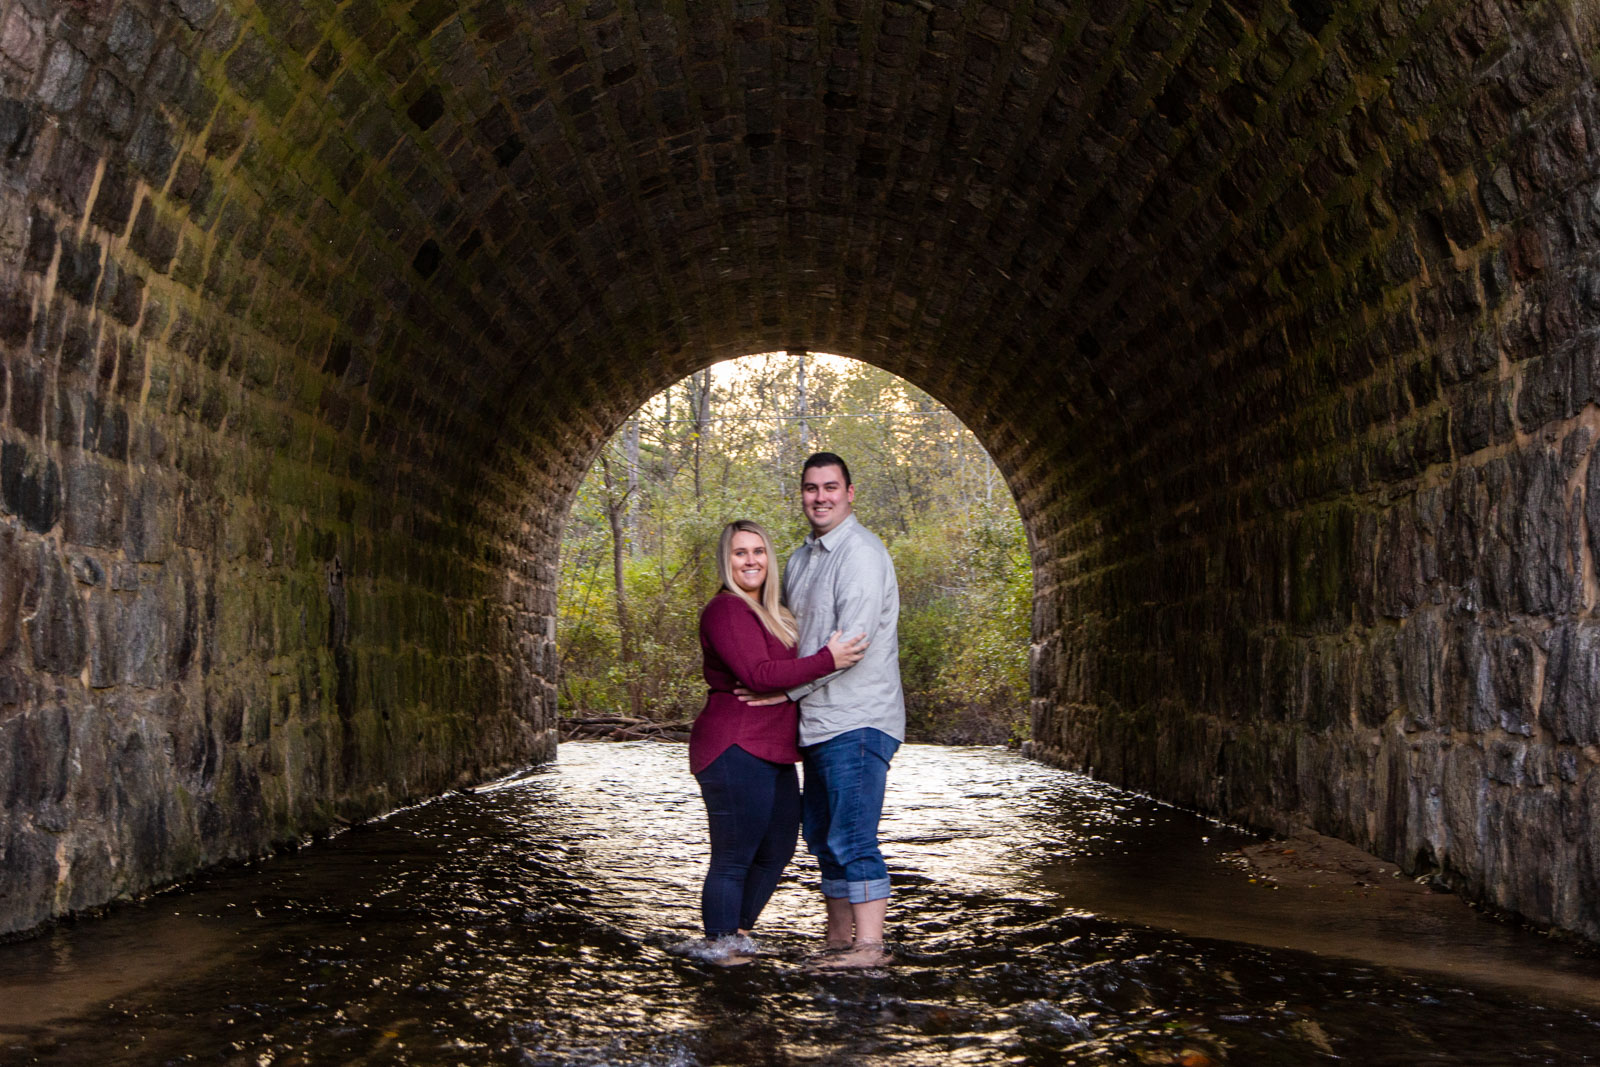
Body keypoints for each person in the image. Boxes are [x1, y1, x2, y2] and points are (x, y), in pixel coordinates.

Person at [739, 452, 905, 969]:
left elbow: (850, 647)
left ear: (850, 493)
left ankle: (870, 948)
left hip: (858, 718)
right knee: (822, 837)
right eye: (811, 488)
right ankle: (837, 941)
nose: (821, 497)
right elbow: (792, 638)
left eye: (831, 487)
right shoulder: (799, 559)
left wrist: (784, 693)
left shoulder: (860, 553)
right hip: (817, 721)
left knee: (852, 835)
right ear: (802, 494)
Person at [689, 519, 868, 964]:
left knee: (778, 849)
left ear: (769, 558)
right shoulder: (726, 609)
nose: (751, 561)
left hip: (773, 748)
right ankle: (720, 949)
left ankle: (735, 937)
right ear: (727, 562)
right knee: (733, 857)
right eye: (739, 553)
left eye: (758, 552)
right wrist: (829, 659)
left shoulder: (772, 612)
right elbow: (757, 676)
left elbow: (775, 675)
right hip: (734, 744)